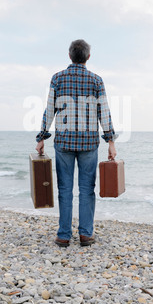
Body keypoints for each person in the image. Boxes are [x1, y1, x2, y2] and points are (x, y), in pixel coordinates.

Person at [36, 39, 117, 247]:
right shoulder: (96, 80)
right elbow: (104, 112)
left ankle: (63, 235)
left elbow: (50, 109)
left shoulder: (57, 78)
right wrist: (110, 141)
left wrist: (42, 137)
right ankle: (85, 234)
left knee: (65, 189)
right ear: (88, 57)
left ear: (69, 56)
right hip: (89, 142)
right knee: (86, 189)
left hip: (63, 141)